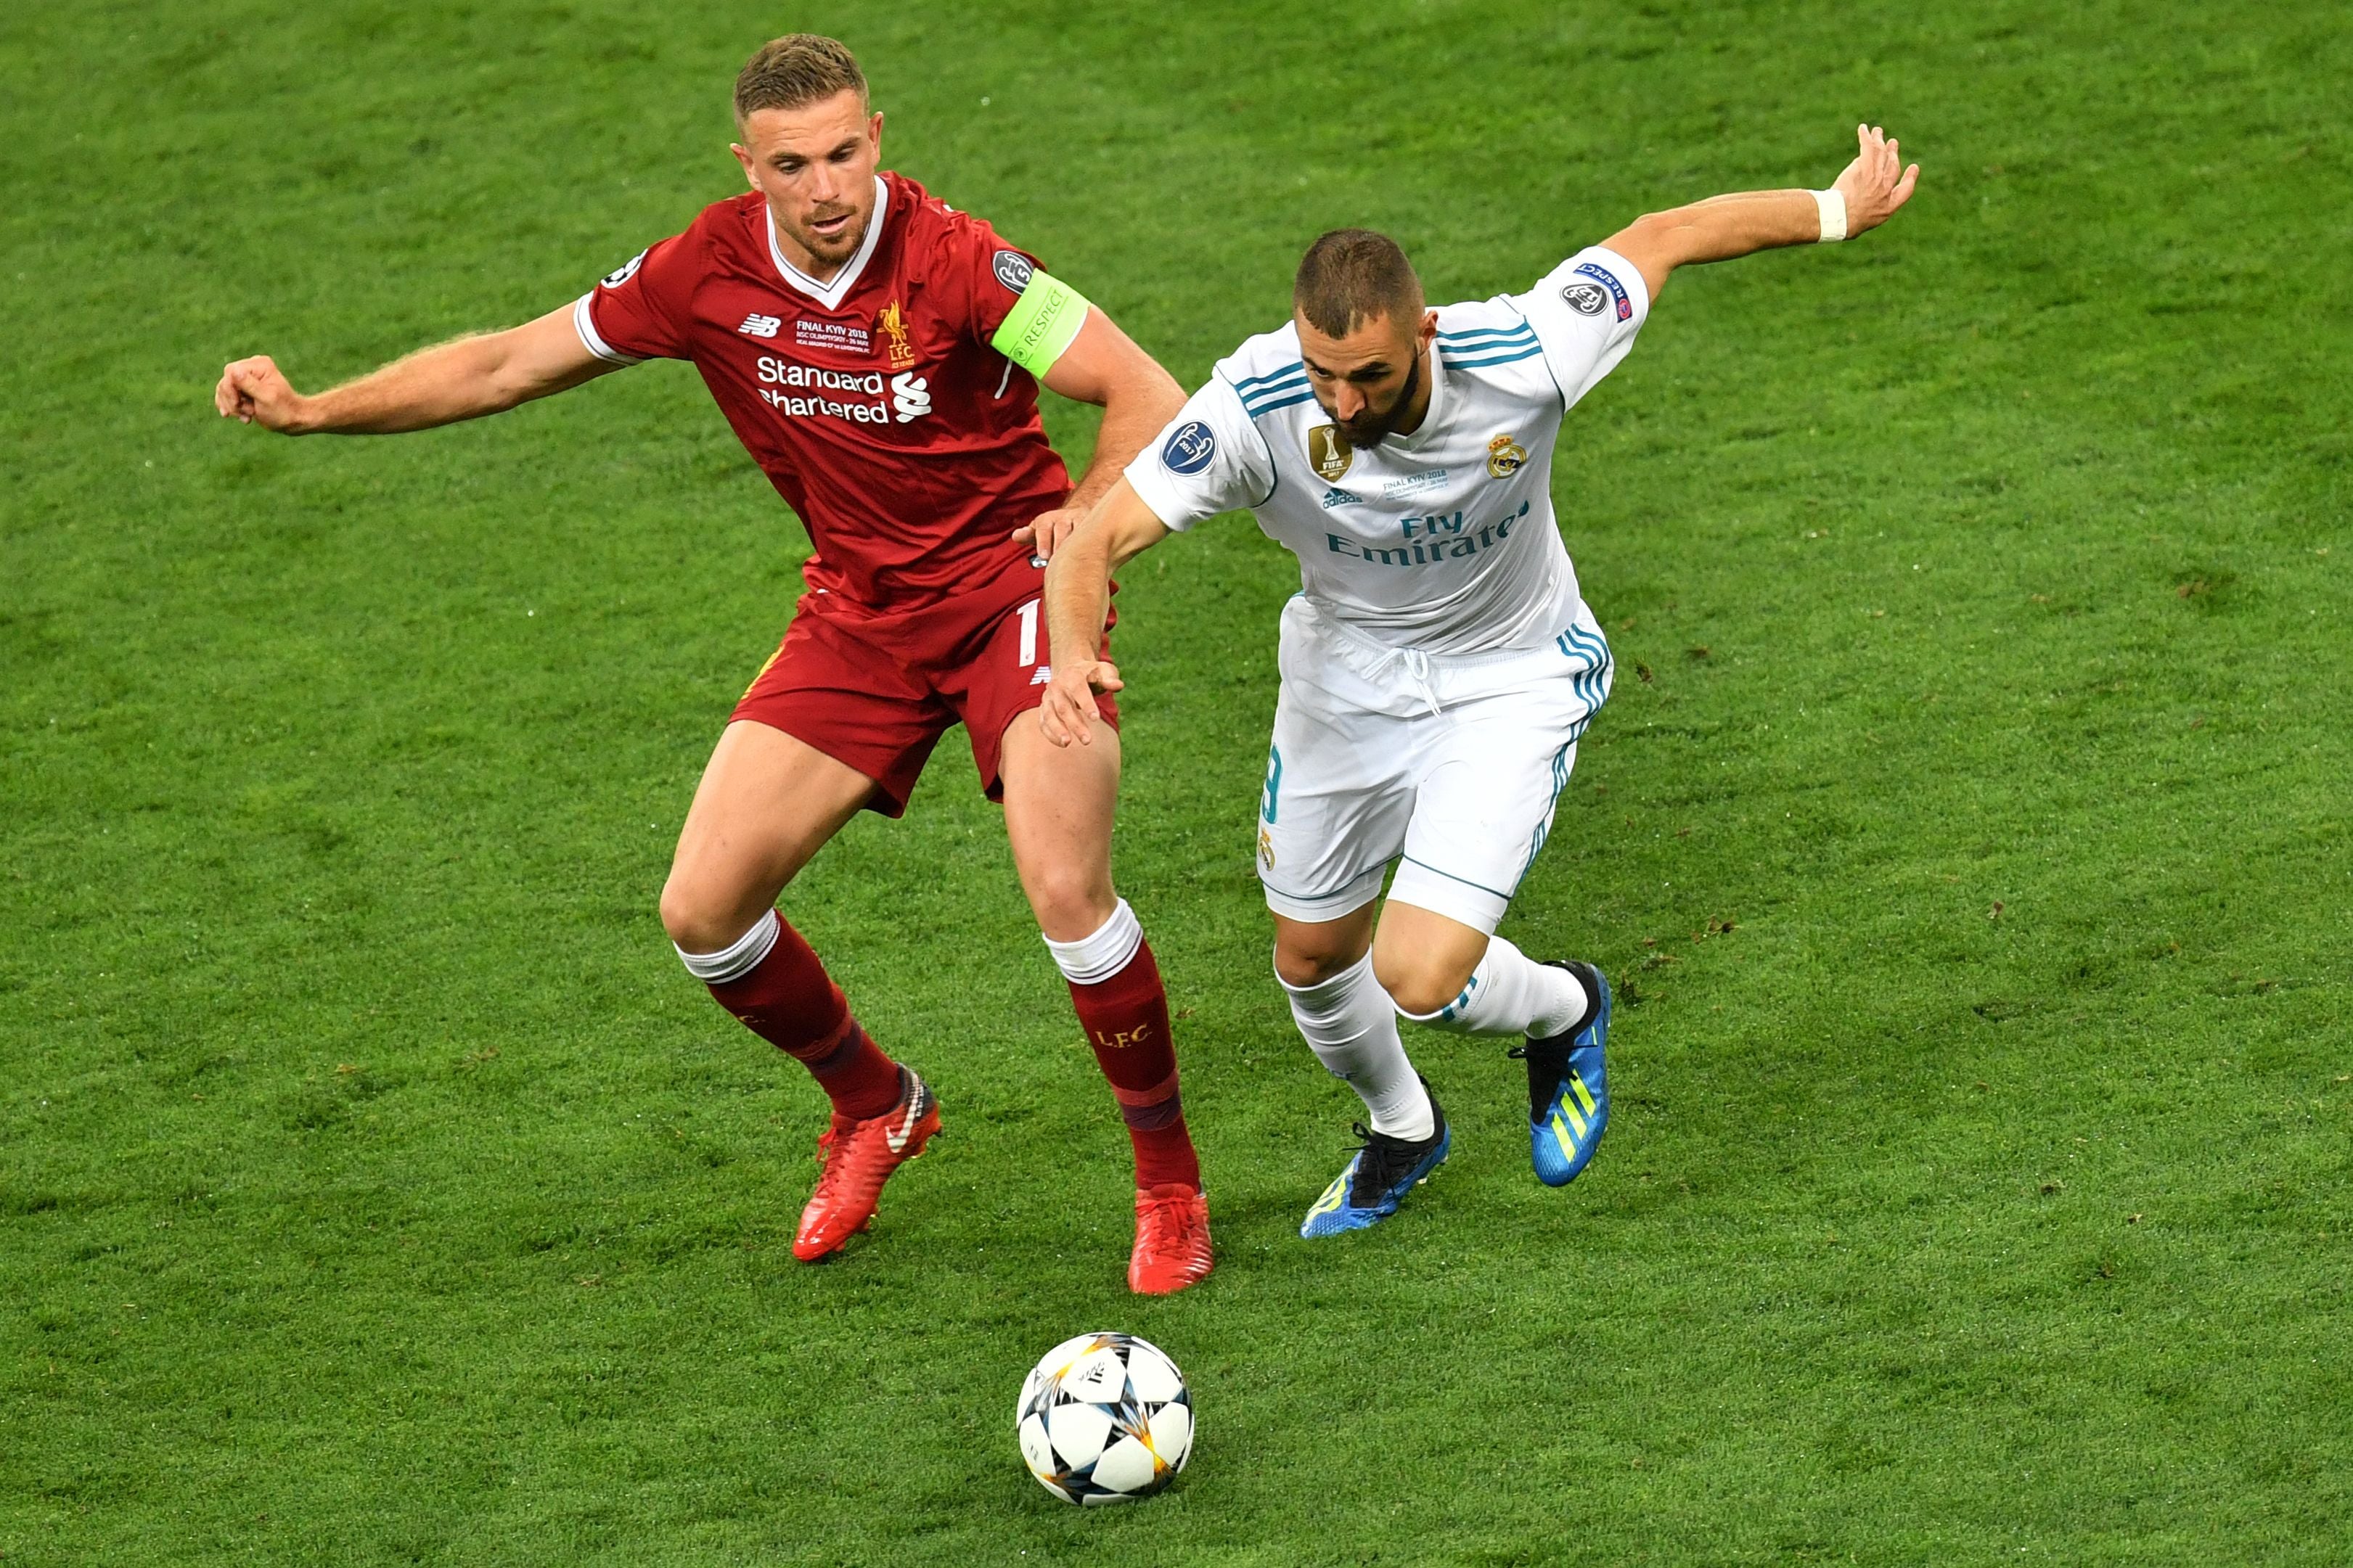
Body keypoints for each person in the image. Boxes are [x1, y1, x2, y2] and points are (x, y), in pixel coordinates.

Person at [213, 35, 1216, 1293]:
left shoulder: (964, 262)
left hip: (1008, 594)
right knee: (702, 911)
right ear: (749, 168)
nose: (826, 188)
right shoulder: (706, 269)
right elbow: (508, 361)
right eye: (793, 165)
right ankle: (875, 1102)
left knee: (1064, 884)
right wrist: (314, 410)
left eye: (845, 152)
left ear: (879, 138)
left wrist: (1084, 520)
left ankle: (1169, 1185)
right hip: (858, 615)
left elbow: (1146, 393)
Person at [1040, 126, 1919, 1236]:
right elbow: (1089, 544)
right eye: (1324, 373)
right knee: (1311, 958)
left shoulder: (1525, 349)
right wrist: (1073, 653)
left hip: (1510, 677)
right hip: (1343, 685)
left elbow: (1665, 236)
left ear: (1423, 332)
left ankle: (1565, 1007)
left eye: (1369, 375)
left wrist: (1834, 208)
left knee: (1416, 969)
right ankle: (1401, 1131)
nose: (1344, 405)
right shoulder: (1255, 404)